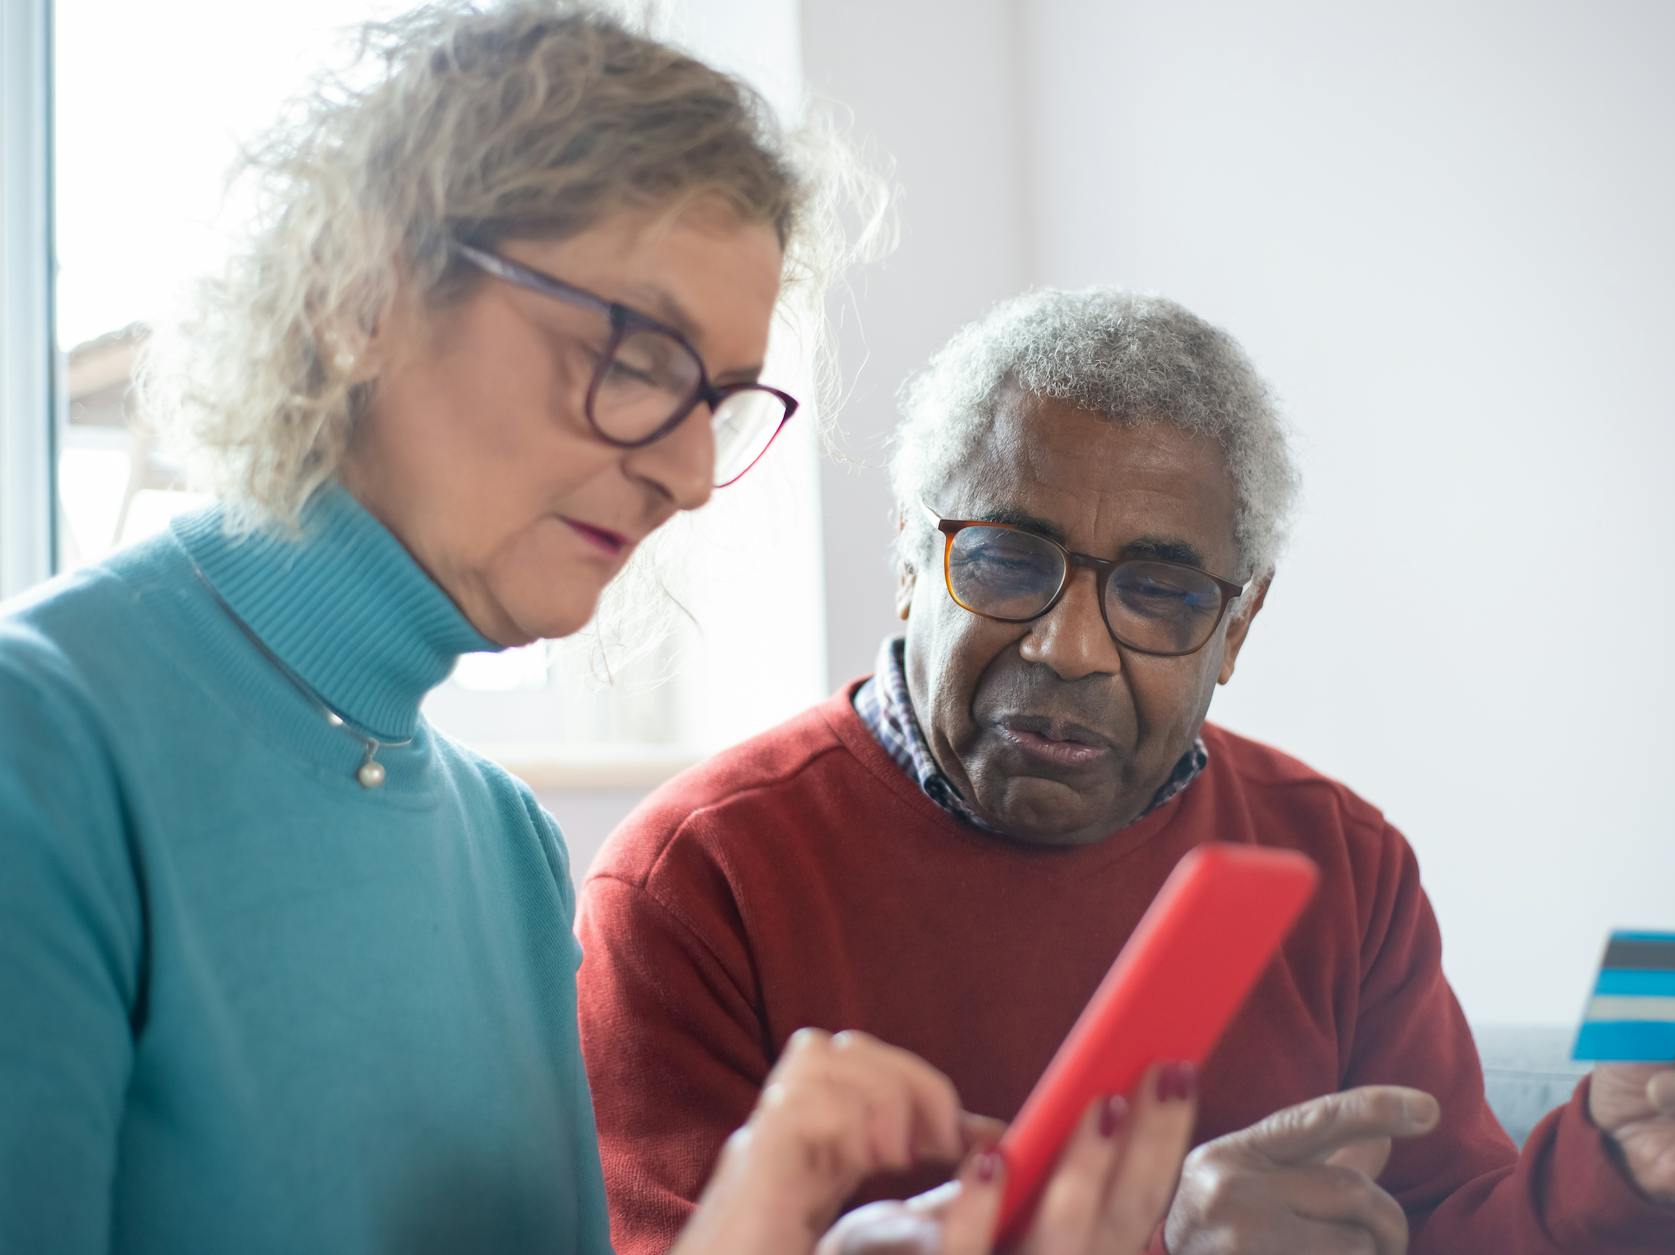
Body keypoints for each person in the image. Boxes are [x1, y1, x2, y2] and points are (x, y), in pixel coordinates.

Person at [0, 6, 1197, 1252]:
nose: (685, 475)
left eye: (722, 402)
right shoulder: (42, 749)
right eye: (635, 356)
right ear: (362, 292)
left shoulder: (503, 843)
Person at [576, 287, 1675, 1255]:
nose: (1068, 648)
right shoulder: (695, 879)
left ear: (1235, 631)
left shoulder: (1336, 862)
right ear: (912, 564)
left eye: (1160, 591)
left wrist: (1616, 1173)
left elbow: (1447, 1226)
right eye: (1008, 561)